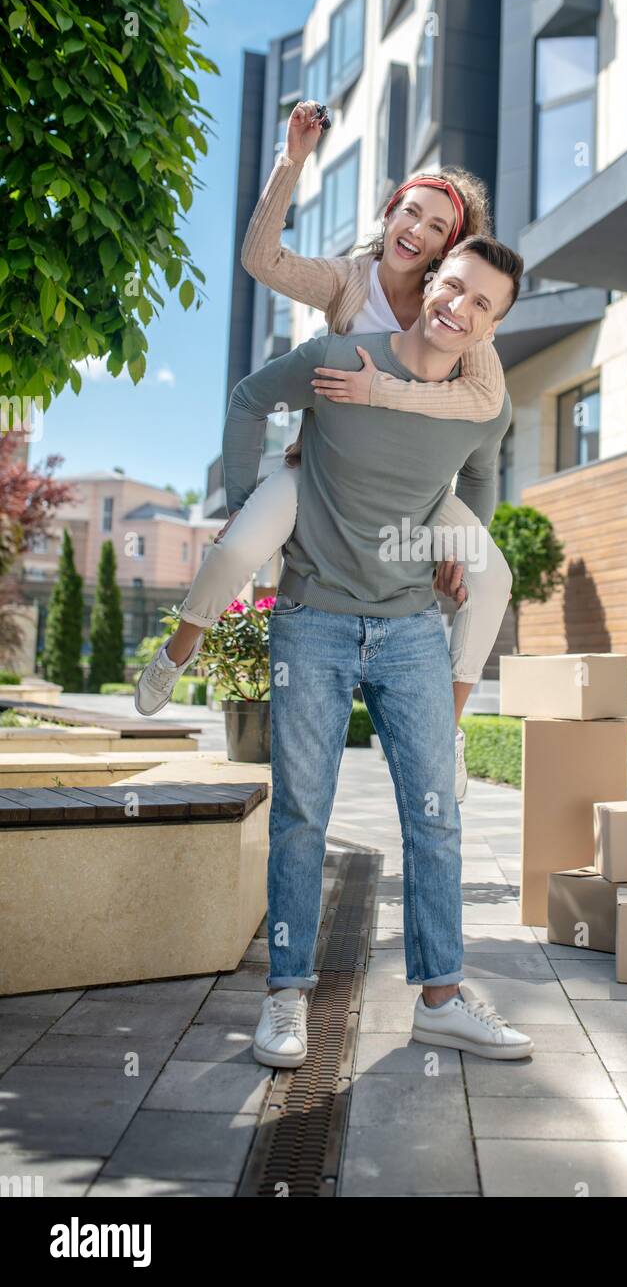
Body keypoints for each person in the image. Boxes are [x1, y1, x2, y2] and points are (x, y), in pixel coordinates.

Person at [134, 101, 513, 801]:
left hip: (418, 493)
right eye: (412, 212)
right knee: (241, 549)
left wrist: (455, 548)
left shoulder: (463, 318)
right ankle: (174, 655)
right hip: (322, 471)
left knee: (494, 580)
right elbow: (261, 260)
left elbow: (485, 430)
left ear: (448, 251)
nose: (418, 231)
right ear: (390, 211)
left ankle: (448, 728)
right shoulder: (347, 282)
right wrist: (293, 161)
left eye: (437, 228)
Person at [216, 234, 535, 1066]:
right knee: (300, 816)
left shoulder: (484, 403)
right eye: (453, 286)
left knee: (436, 819)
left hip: (409, 630)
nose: (457, 309)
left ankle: (440, 998)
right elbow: (251, 395)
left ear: (492, 325)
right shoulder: (336, 357)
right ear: (432, 279)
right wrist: (247, 499)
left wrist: (460, 553)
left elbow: (480, 475)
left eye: (481, 305)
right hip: (313, 618)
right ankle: (287, 998)